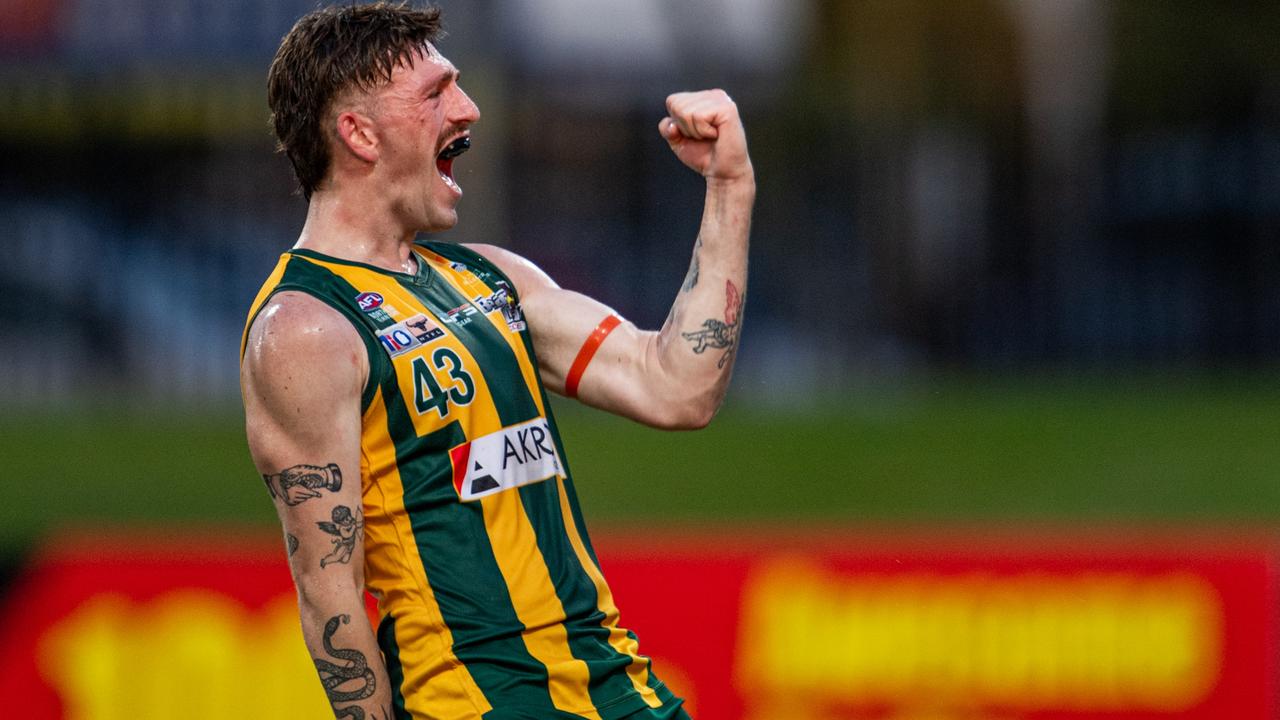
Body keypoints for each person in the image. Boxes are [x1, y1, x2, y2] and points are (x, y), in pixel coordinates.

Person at [240, 3, 753, 719]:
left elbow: (677, 387)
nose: (469, 107)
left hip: (620, 690)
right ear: (358, 133)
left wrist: (729, 190)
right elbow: (330, 598)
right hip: (478, 703)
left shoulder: (491, 279)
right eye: (435, 92)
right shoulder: (305, 328)